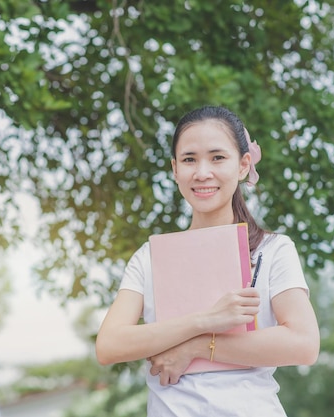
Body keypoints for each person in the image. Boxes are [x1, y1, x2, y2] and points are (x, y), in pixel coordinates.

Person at [95, 105, 320, 416]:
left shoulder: (273, 250)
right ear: (174, 169)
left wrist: (197, 347)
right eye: (189, 159)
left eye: (217, 158)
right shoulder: (148, 258)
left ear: (243, 165)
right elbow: (109, 345)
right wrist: (205, 321)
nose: (202, 173)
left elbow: (304, 343)